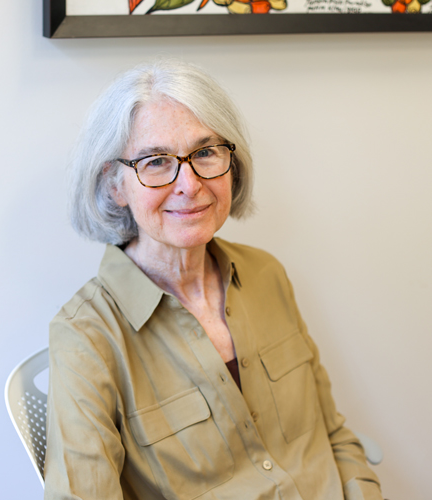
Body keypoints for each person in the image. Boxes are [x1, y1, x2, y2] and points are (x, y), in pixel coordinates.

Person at [44, 60, 383, 500]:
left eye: (205, 153)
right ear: (115, 186)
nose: (190, 183)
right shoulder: (85, 337)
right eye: (156, 161)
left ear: (231, 162)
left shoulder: (266, 274)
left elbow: (332, 433)